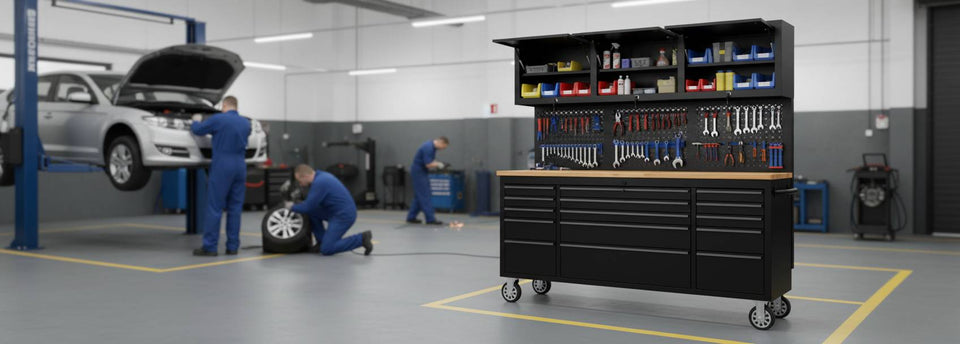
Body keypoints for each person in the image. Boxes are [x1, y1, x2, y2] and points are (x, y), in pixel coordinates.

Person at [190, 96, 250, 257]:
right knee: (235, 209)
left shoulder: (219, 119)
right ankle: (232, 247)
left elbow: (198, 130)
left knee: (215, 207)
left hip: (222, 165)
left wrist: (195, 120)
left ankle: (210, 247)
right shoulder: (246, 123)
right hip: (240, 165)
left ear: (224, 105)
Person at [288, 164, 373, 256]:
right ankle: (321, 241)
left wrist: (291, 206)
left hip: (343, 216)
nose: (300, 184)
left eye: (300, 181)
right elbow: (311, 205)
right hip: (334, 211)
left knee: (327, 249)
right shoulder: (321, 176)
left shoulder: (320, 182)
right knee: (312, 212)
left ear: (305, 176)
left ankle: (361, 239)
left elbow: (308, 206)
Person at [406, 136, 449, 225]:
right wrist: (440, 164)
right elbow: (428, 164)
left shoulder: (431, 147)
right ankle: (430, 219)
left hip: (421, 171)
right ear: (441, 142)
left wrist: (438, 164)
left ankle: (411, 217)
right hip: (419, 172)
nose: (443, 149)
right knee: (425, 194)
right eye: (444, 147)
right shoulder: (428, 148)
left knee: (419, 196)